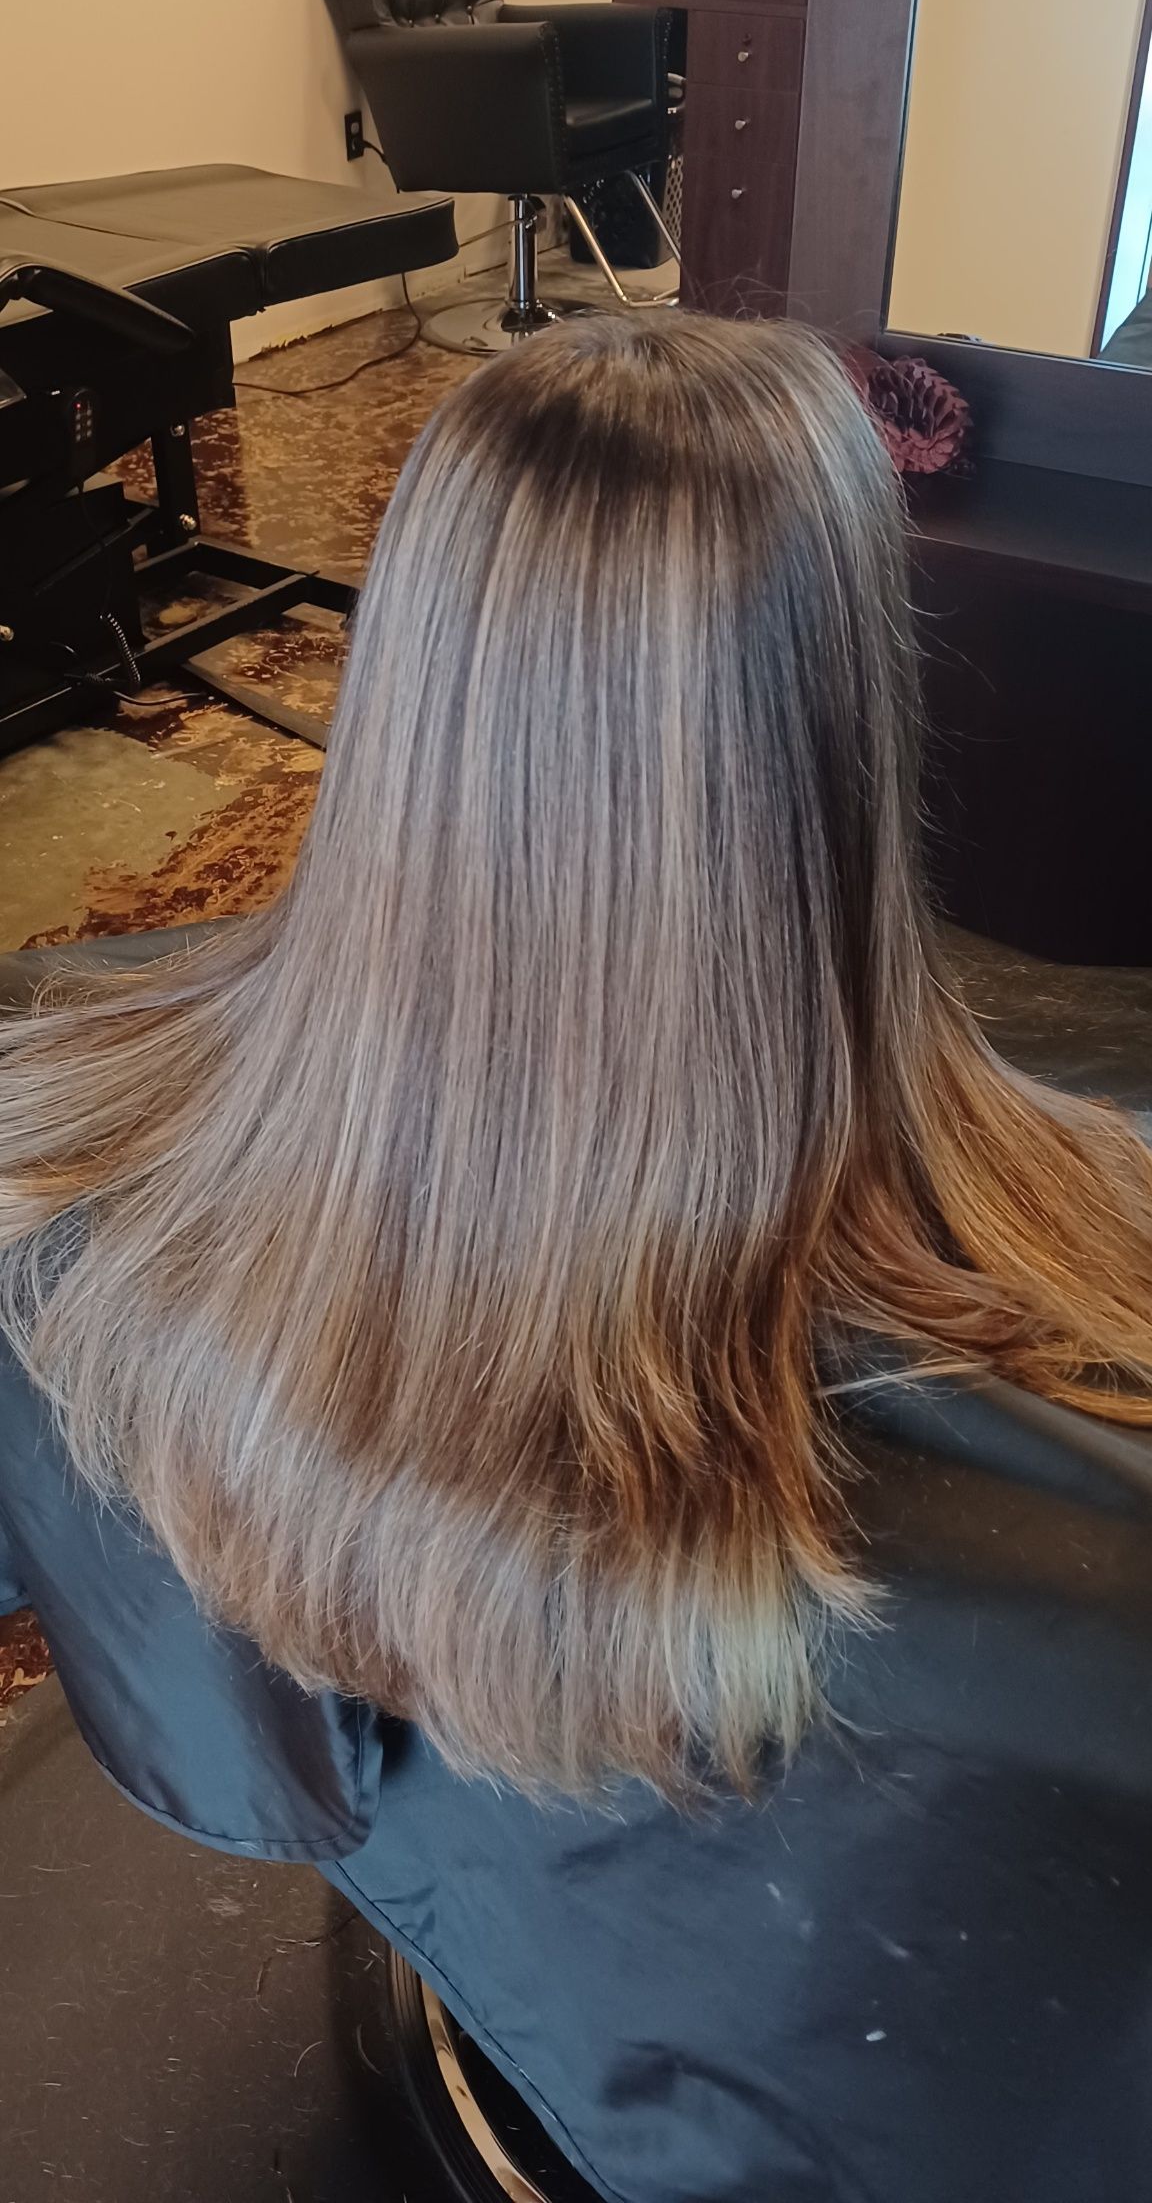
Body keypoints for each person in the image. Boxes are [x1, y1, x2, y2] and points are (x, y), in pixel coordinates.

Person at [2, 310, 1152, 2202]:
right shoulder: (1093, 1521)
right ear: (850, 704)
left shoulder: (48, 1121)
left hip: (473, 1964)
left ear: (422, 669)